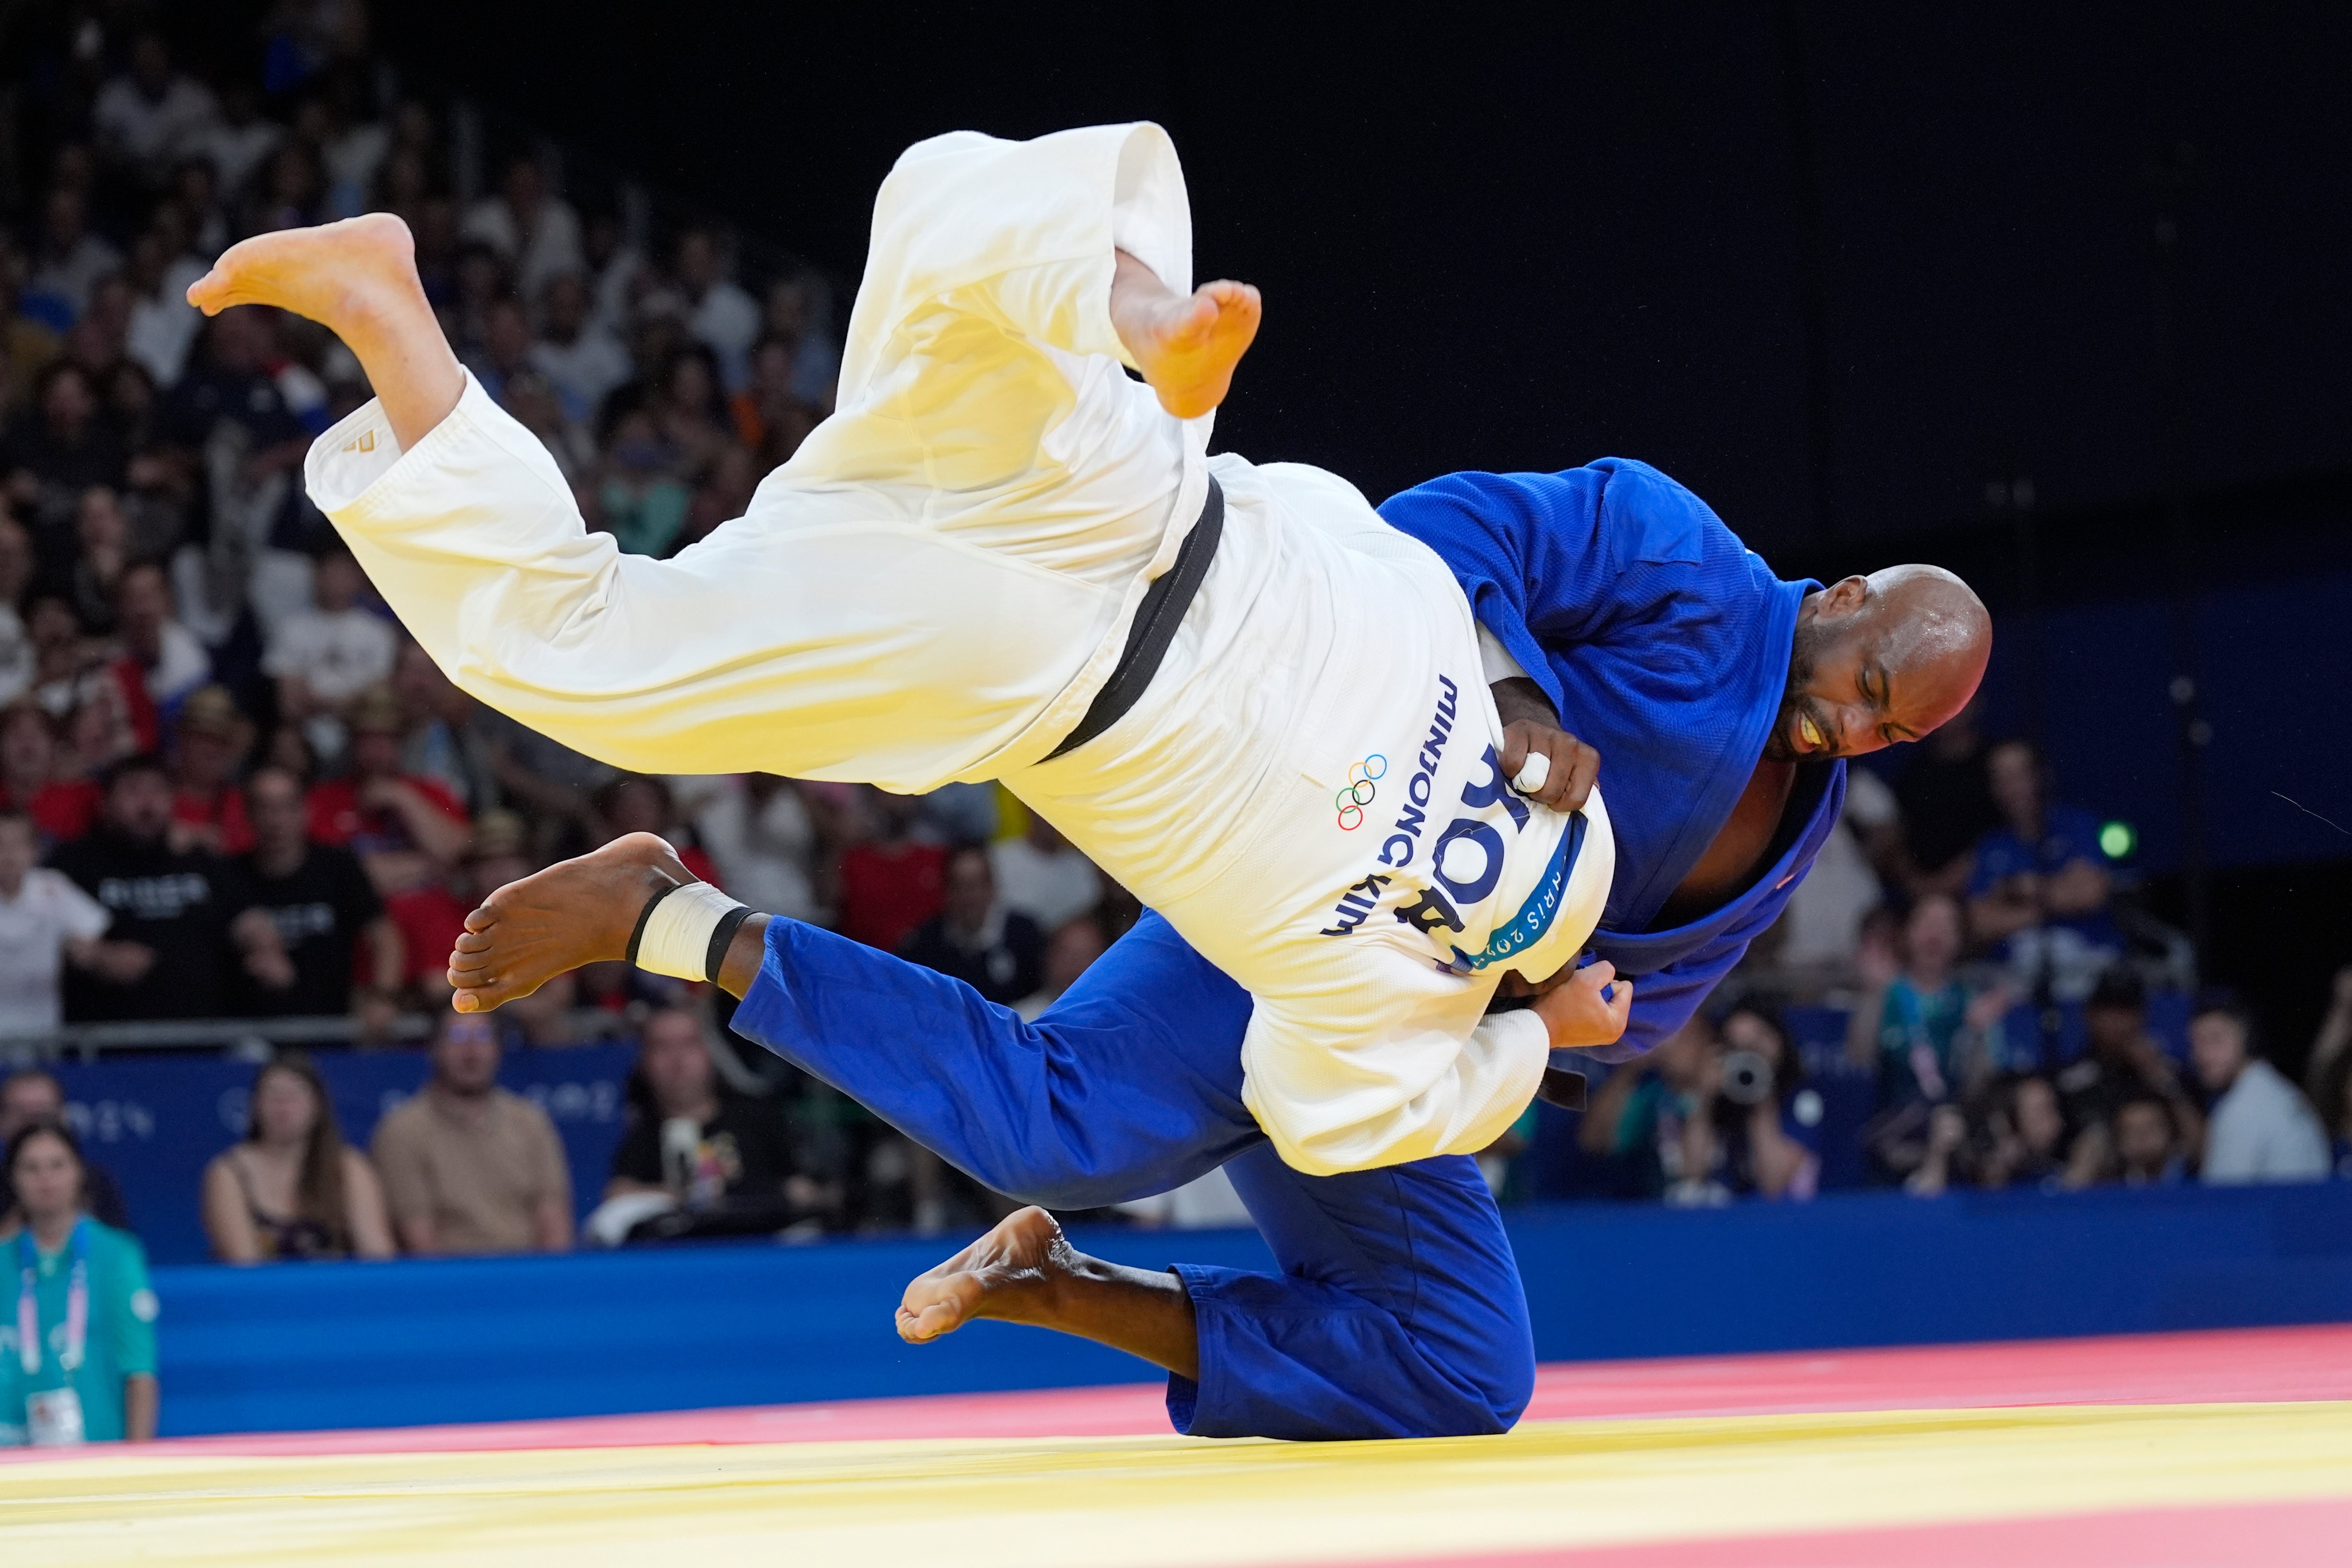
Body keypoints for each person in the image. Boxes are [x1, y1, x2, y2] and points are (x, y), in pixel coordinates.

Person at [210, 125, 1986, 1179]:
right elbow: (1327, 1108)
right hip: (1042, 659)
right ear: (1834, 606)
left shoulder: (1567, 820)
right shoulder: (1384, 1006)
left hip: (1170, 497)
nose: (1839, 725)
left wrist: (1511, 705)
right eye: (1857, 681)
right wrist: (1531, 1036)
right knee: (584, 649)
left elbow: (1408, 538)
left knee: (934, 220)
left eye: (1870, 726)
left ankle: (1125, 301)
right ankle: (392, 318)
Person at [48, 754, 240, 1021]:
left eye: (157, 790)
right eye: (133, 791)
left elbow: (240, 916)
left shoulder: (201, 860)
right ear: (105, 803)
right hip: (106, 1040)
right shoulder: (74, 864)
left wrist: (259, 937)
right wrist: (96, 956)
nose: (147, 803)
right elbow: (36, 929)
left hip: (203, 1038)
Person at [0, 1120, 157, 1446]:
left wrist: (140, 1463)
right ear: (13, 1180)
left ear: (79, 1173)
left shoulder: (117, 1255)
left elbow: (139, 1370)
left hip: (97, 1452)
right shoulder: (4, 1258)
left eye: (57, 1165)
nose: (46, 1178)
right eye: (31, 1168)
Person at [370, 1009, 572, 1255]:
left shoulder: (530, 1122)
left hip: (529, 1276)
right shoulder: (404, 1130)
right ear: (434, 1049)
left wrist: (548, 1283)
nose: (472, 1050)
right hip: (452, 1280)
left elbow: (554, 1222)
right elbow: (419, 1240)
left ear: (499, 1050)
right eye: (458, 1036)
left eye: (483, 1036)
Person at [1846, 893, 2012, 1182]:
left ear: (1960, 940)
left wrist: (1977, 1034)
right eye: (1926, 923)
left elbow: (1982, 1084)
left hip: (1956, 1144)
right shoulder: (1887, 995)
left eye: (1946, 925)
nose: (1935, 933)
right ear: (1907, 933)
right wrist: (1873, 996)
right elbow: (1857, 1059)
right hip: (1892, 1141)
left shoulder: (1970, 1002)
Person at [598, 1007, 804, 1234]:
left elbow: (802, 1190)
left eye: (689, 1044)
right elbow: (618, 1198)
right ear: (644, 1062)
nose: (678, 1061)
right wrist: (683, 1197)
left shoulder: (758, 1119)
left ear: (713, 1052)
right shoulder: (641, 1134)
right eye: (662, 1047)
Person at [226, 766, 401, 1023]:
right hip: (249, 1029)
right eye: (266, 808)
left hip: (328, 1028)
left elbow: (384, 936)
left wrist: (383, 998)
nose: (276, 820)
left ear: (305, 812)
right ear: (248, 816)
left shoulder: (338, 867)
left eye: (287, 807)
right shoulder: (229, 876)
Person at [201, 1053, 395, 1262]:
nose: (283, 1107)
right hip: (262, 1292)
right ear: (255, 1105)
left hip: (334, 1290)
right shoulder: (228, 1173)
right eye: (273, 1096)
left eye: (294, 1096)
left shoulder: (348, 1168)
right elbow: (244, 1265)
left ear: (318, 1105)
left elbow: (379, 1257)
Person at [1966, 739, 2120, 1000]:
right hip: (2014, 980)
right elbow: (1979, 922)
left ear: (2039, 776)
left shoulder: (2078, 826)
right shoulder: (1991, 847)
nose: (2012, 788)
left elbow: (2091, 893)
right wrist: (2056, 896)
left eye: (2018, 775)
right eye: (2001, 779)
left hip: (2088, 969)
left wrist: (2017, 891)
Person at [0, 808, 112, 1036]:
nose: (8, 853)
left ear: (35, 851)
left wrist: (82, 949)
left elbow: (91, 931)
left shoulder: (53, 888)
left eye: (18, 844)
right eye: (1, 844)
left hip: (42, 1026)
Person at [2191, 1001, 2328, 1185]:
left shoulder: (2244, 1106)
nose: (2203, 1054)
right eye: (2196, 1043)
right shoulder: (2274, 1090)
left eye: (2216, 1039)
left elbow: (2222, 1199)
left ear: (2244, 1037)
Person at [899, 843, 1046, 1006]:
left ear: (992, 887)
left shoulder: (1024, 934)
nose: (970, 895)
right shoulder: (926, 942)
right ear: (948, 891)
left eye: (977, 884)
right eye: (960, 885)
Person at [0, 1070, 129, 1230]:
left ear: (64, 1115)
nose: (34, 1124)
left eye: (44, 1113)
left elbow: (119, 1248)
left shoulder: (97, 1184)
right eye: (22, 1113)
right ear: (2, 1120)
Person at [990, 808, 1103, 932]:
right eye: (1044, 810)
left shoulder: (1082, 867)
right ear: (1028, 809)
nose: (1050, 819)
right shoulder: (1000, 859)